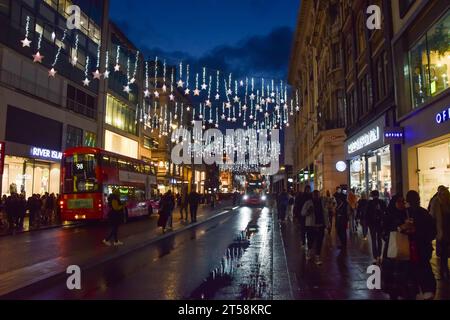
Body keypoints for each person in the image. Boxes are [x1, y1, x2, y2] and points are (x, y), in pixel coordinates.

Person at [405, 190, 437, 300]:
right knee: (425, 268)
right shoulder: (425, 213)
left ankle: (415, 290)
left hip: (411, 247)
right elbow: (433, 232)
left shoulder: (406, 213)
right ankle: (428, 291)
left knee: (413, 270)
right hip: (424, 247)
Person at [382, 194, 413, 299]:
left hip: (404, 247)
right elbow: (385, 229)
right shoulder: (389, 213)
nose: (401, 204)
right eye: (399, 202)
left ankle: (403, 290)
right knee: (393, 271)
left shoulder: (406, 213)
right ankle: (393, 291)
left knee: (404, 271)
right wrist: (399, 227)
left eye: (403, 202)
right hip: (393, 246)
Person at [301, 190, 329, 265]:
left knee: (319, 241)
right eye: (315, 194)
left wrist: (327, 224)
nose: (316, 196)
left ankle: (317, 256)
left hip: (321, 225)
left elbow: (326, 212)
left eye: (317, 194)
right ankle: (309, 252)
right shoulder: (308, 203)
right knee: (310, 240)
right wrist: (308, 211)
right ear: (312, 195)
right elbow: (303, 213)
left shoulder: (322, 202)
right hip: (311, 225)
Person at [432, 187, 450, 281]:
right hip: (442, 231)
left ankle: (444, 270)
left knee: (445, 251)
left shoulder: (447, 203)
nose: (444, 196)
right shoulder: (436, 202)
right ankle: (444, 270)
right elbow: (433, 216)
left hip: (447, 230)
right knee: (443, 252)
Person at [366, 190, 386, 265]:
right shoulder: (382, 202)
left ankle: (375, 256)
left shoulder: (370, 203)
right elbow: (385, 212)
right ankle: (379, 255)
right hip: (379, 224)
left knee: (373, 240)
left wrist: (367, 223)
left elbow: (367, 214)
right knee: (379, 239)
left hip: (372, 224)